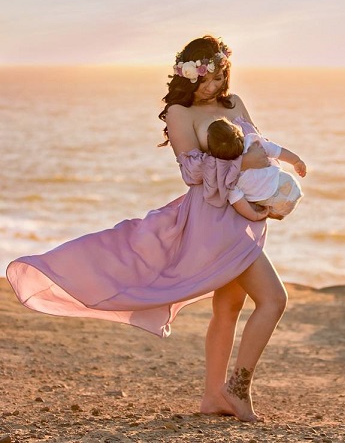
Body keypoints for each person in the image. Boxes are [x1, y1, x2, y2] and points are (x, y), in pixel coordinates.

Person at [7, 35, 288, 423]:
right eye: (205, 79)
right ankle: (238, 391)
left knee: (229, 307)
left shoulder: (234, 102)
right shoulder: (179, 112)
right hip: (212, 220)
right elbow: (193, 173)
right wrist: (244, 166)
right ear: (188, 77)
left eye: (219, 76)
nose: (213, 86)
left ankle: (212, 397)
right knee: (274, 300)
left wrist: (270, 194)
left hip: (243, 216)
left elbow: (257, 146)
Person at [207, 117, 306, 221]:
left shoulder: (229, 177)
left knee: (268, 208)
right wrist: (295, 161)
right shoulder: (251, 142)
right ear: (237, 131)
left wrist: (255, 216)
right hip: (289, 183)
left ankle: (278, 214)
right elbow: (275, 150)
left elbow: (238, 201)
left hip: (275, 202)